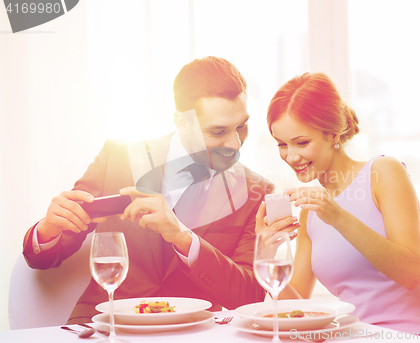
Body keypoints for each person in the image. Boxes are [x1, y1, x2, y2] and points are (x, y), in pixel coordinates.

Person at [22, 56, 280, 324]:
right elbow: (42, 258)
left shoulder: (256, 190)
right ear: (182, 123)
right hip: (105, 329)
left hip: (194, 334)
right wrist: (49, 229)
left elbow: (248, 295)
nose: (235, 144)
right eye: (217, 132)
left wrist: (182, 237)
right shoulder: (117, 158)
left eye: (242, 126)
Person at [256, 72, 420, 340]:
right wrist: (264, 254)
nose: (291, 156)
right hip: (350, 336)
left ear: (332, 134)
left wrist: (337, 216)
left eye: (302, 142)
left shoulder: (383, 172)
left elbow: (411, 273)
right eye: (282, 144)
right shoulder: (310, 210)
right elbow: (295, 307)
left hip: (407, 335)